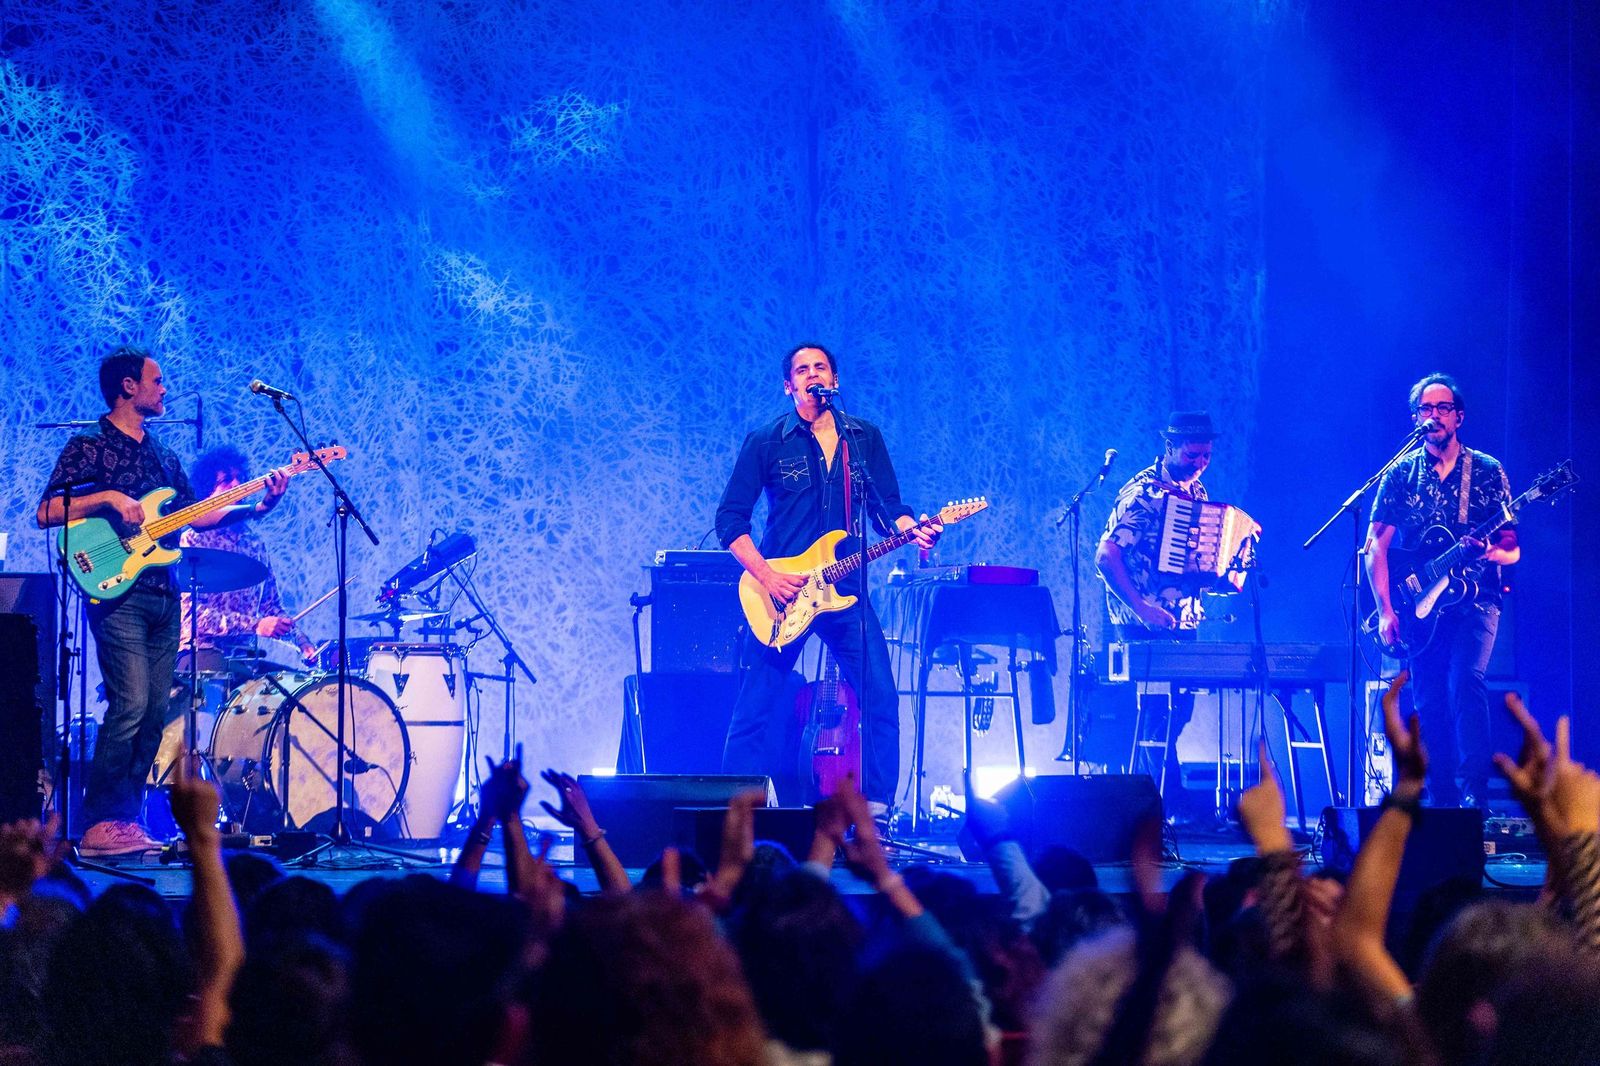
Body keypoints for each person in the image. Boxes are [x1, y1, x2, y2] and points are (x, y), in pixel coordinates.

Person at [36, 348, 289, 856]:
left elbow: (199, 517)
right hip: (116, 589)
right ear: (128, 387)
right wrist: (107, 499)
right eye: (157, 380)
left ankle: (123, 824)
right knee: (128, 704)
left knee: (152, 711)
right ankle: (98, 820)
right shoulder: (89, 446)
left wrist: (260, 506)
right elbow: (47, 512)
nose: (165, 389)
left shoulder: (164, 456)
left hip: (162, 592)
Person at [715, 344, 940, 816]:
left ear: (834, 379)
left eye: (820, 367)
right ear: (789, 386)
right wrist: (767, 574)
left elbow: (888, 510)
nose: (812, 374)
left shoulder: (863, 439)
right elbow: (730, 520)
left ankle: (877, 812)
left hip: (846, 591)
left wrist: (910, 529)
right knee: (754, 708)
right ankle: (734, 814)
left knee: (881, 697)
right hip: (783, 594)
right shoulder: (768, 440)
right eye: (802, 369)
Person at [1366, 373, 1518, 809]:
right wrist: (1386, 610)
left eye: (1442, 408)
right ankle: (1442, 800)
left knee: (1465, 682)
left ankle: (1475, 795)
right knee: (1429, 697)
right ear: (1416, 417)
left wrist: (1488, 551)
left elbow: (1512, 550)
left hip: (1476, 601)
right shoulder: (1399, 474)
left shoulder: (1487, 471)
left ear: (1459, 416)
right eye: (1425, 410)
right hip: (1420, 606)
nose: (1434, 416)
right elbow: (1376, 545)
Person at [1094, 411, 1219, 811]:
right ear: (1170, 448)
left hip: (1181, 620)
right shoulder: (1143, 494)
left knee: (1179, 709)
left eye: (1206, 456)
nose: (1199, 464)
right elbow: (1106, 555)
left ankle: (1165, 799)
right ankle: (1164, 804)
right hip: (1142, 622)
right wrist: (1142, 607)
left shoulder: (1197, 494)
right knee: (1155, 714)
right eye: (1192, 455)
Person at [179, 444, 316, 663]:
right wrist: (255, 625)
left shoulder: (254, 544)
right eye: (226, 481)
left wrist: (301, 641)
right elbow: (192, 616)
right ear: (207, 491)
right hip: (201, 653)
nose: (236, 485)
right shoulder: (193, 540)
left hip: (244, 655)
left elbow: (271, 606)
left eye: (239, 479)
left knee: (287, 691)